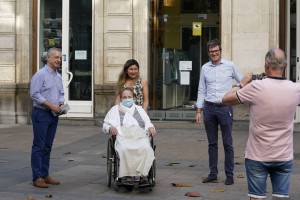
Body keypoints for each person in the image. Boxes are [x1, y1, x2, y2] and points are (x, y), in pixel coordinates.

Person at [222, 47, 298, 200]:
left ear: (266, 64)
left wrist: (242, 83)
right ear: (285, 66)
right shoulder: (295, 89)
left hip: (257, 156)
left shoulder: (256, 87)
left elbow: (225, 99)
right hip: (283, 156)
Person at [196, 39, 243, 185]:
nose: (214, 53)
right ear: (208, 53)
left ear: (220, 51)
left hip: (224, 108)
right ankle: (213, 173)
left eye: (216, 51)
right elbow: (201, 89)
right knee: (212, 143)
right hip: (209, 109)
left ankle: (229, 175)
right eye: (211, 52)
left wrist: (236, 95)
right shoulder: (205, 68)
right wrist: (199, 110)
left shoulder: (230, 65)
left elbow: (243, 82)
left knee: (227, 143)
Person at [103, 88, 156, 186]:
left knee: (146, 148)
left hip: (140, 137)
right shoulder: (114, 110)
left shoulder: (140, 109)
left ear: (133, 98)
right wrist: (110, 128)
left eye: (129, 97)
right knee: (124, 149)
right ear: (121, 98)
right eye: (124, 97)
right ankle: (127, 176)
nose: (127, 99)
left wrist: (151, 128)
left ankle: (142, 176)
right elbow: (105, 125)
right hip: (123, 137)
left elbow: (148, 123)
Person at [30, 47, 65, 188]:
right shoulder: (40, 75)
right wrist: (51, 105)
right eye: (55, 57)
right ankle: (37, 177)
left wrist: (61, 103)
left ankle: (44, 174)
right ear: (48, 58)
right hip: (41, 113)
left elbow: (61, 92)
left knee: (48, 146)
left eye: (60, 58)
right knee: (39, 145)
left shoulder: (58, 75)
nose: (58, 60)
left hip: (53, 114)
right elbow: (34, 94)